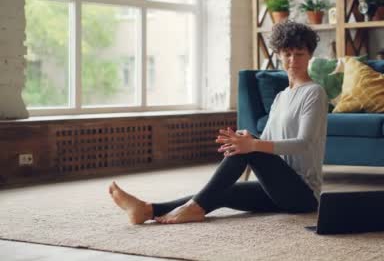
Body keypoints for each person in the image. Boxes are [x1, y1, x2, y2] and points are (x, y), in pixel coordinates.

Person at [108, 21, 328, 224]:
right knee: (222, 191)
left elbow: (305, 143)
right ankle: (147, 210)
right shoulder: (282, 97)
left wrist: (250, 146)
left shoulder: (314, 92)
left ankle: (195, 208)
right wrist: (244, 144)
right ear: (279, 55)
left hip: (303, 196)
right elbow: (267, 144)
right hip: (277, 189)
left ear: (309, 56)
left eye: (299, 54)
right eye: (287, 54)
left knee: (249, 145)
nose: (293, 60)